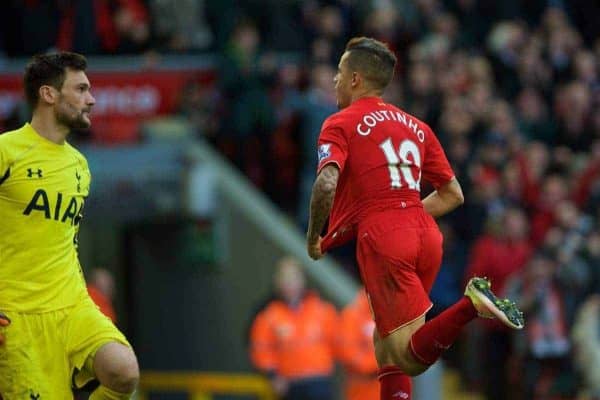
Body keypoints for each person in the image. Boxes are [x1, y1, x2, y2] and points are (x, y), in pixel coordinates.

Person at [306, 37, 525, 400]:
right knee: (386, 343)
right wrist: (405, 214)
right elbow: (454, 194)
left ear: (357, 79)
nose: (334, 81)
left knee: (409, 359)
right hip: (425, 234)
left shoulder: (338, 123)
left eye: (340, 73)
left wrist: (314, 234)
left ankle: (471, 305)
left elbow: (326, 183)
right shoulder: (417, 125)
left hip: (386, 240)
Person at [0, 52, 139, 399]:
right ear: (49, 94)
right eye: (81, 89)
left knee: (123, 373)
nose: (91, 99)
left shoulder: (79, 166)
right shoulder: (6, 151)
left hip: (72, 306)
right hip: (16, 317)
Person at [249, 256, 338, 400]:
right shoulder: (269, 315)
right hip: (290, 385)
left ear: (303, 279)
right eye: (284, 278)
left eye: (293, 277)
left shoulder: (322, 310)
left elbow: (340, 343)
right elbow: (260, 349)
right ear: (277, 282)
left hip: (320, 382)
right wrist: (272, 375)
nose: (289, 283)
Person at [338, 287, 379, 400]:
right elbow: (348, 353)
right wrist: (378, 363)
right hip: (361, 389)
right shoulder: (351, 315)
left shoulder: (395, 313)